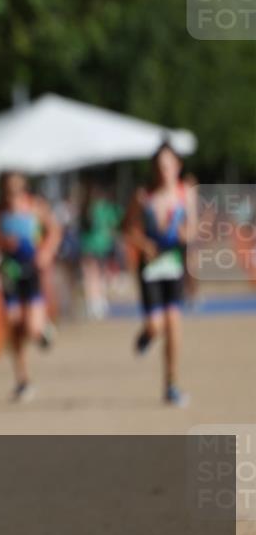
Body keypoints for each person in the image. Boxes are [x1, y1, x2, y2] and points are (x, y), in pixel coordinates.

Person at [122, 143, 197, 407]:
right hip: (151, 268)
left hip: (174, 265)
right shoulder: (143, 196)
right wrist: (145, 245)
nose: (164, 171)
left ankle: (171, 384)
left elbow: (193, 229)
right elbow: (127, 229)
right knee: (157, 325)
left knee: (174, 325)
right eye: (159, 166)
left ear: (177, 166)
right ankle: (147, 334)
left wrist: (184, 234)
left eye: (168, 165)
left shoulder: (185, 194)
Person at [0, 172, 61, 402]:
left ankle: (43, 329)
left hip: (32, 271)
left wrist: (46, 252)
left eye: (16, 190)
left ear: (23, 189)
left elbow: (54, 232)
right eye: (7, 190)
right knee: (13, 322)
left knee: (30, 327)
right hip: (10, 273)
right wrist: (1, 243)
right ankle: (22, 379)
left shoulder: (35, 208)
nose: (11, 195)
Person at [79, 182, 123, 320]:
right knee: (96, 275)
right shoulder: (105, 208)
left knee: (92, 275)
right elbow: (116, 224)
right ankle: (97, 301)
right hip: (99, 246)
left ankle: (94, 302)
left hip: (92, 246)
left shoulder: (89, 208)